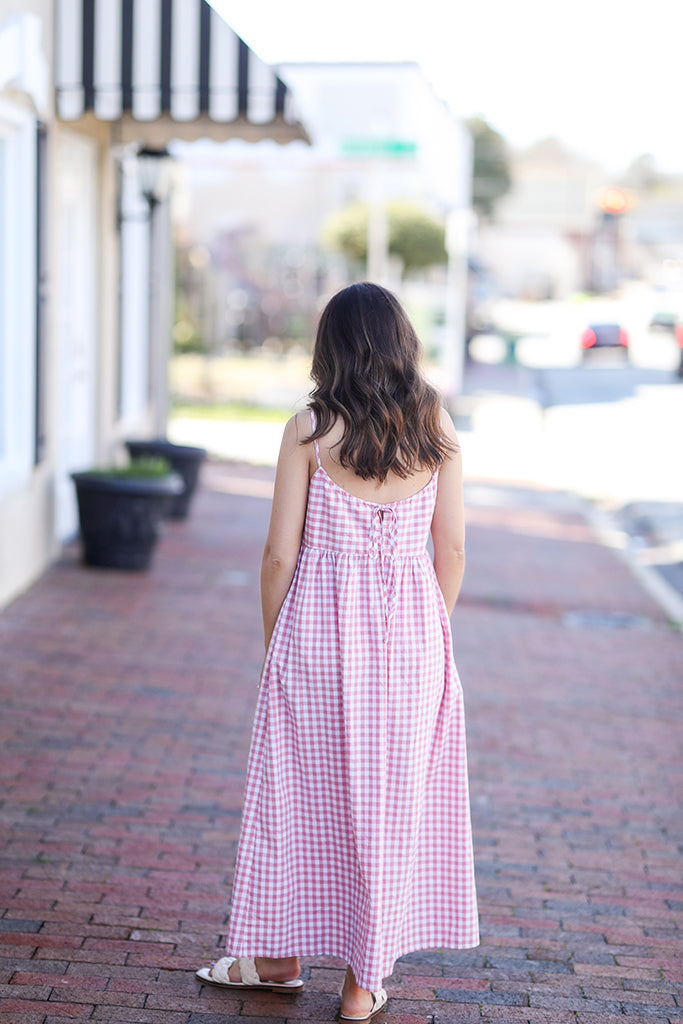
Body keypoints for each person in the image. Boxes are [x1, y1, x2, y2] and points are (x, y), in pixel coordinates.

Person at [196, 282, 479, 1021]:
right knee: (390, 804)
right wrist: (426, 631)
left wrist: (276, 642)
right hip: (413, 640)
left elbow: (276, 556)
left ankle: (278, 956)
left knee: (296, 797)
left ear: (332, 348)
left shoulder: (309, 428)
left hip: (316, 635)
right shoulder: (435, 426)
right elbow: (448, 549)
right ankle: (362, 982)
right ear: (400, 344)